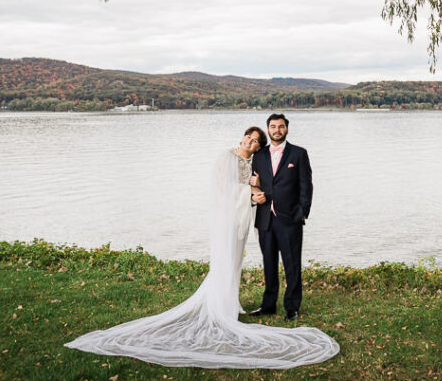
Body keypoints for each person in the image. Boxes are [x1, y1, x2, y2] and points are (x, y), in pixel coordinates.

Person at [64, 126, 338, 369]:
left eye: (256, 141)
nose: (251, 143)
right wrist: (253, 192)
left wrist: (289, 205)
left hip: (250, 219)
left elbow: (295, 185)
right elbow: (223, 189)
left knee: (243, 263)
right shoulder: (226, 157)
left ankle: (239, 303)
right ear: (243, 137)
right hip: (232, 218)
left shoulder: (262, 159)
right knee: (231, 261)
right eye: (250, 137)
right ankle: (226, 304)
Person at [247, 113, 312, 321]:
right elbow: (254, 183)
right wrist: (254, 196)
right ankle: (268, 305)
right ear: (268, 129)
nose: (277, 130)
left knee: (292, 264)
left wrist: (302, 213)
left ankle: (292, 307)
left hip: (290, 219)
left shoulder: (299, 154)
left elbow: (306, 186)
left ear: (287, 129)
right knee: (269, 263)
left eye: (281, 126)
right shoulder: (259, 156)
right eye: (273, 127)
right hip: (265, 219)